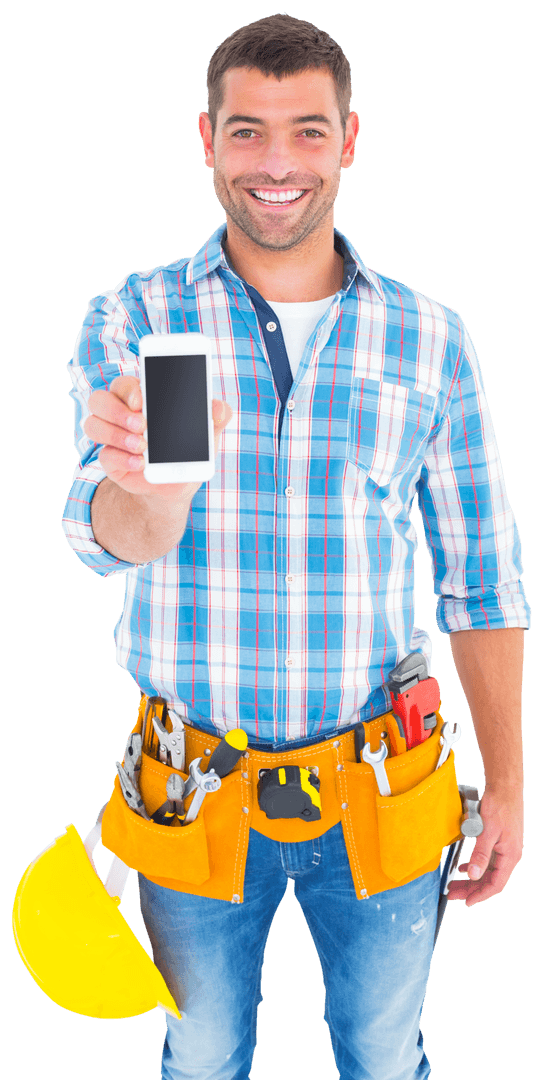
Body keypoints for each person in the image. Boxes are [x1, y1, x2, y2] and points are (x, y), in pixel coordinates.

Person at [61, 13, 529, 1080]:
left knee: (380, 1054)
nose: (278, 163)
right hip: (189, 795)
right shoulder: (139, 319)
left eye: (307, 131)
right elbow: (103, 535)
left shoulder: (430, 339)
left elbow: (481, 579)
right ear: (207, 140)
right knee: (205, 1056)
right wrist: (160, 492)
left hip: (383, 793)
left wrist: (506, 783)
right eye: (249, 131)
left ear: (349, 141)